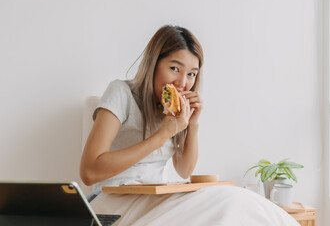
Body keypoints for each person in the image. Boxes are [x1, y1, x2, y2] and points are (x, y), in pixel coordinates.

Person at [80, 25, 299, 226]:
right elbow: (89, 171)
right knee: (229, 202)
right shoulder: (122, 93)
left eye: (191, 74)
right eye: (174, 68)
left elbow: (183, 170)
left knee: (238, 203)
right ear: (153, 64)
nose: (182, 83)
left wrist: (192, 124)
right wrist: (163, 134)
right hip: (113, 202)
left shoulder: (172, 111)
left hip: (157, 198)